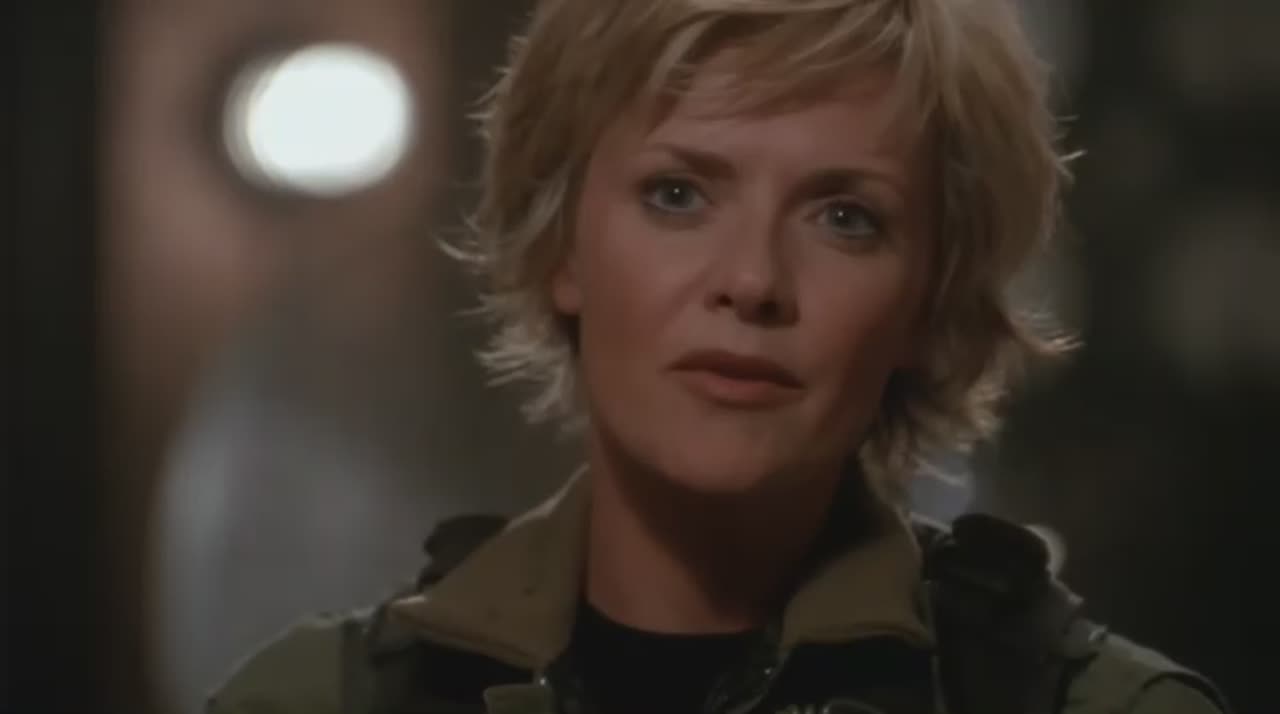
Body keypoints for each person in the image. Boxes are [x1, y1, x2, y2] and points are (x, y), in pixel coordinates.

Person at [207, 1, 1232, 713]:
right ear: (564, 245)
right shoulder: (318, 702)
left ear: (929, 306)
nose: (751, 280)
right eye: (677, 195)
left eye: (845, 217)